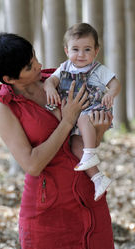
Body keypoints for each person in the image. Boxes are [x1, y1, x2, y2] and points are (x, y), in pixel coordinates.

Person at [0, 33, 116, 249]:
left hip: (88, 196)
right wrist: (66, 121)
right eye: (29, 66)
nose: (39, 65)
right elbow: (32, 164)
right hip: (47, 211)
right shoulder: (4, 108)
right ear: (8, 78)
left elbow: (82, 143)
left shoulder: (60, 79)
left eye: (34, 57)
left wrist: (99, 131)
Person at [44, 23, 121, 201]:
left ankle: (91, 153)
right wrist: (50, 89)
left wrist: (110, 93)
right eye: (75, 49)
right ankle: (98, 178)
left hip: (93, 109)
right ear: (66, 50)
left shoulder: (98, 70)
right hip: (75, 115)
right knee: (76, 146)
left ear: (96, 51)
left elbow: (115, 83)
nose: (81, 54)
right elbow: (50, 81)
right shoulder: (64, 67)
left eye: (87, 49)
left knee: (84, 120)